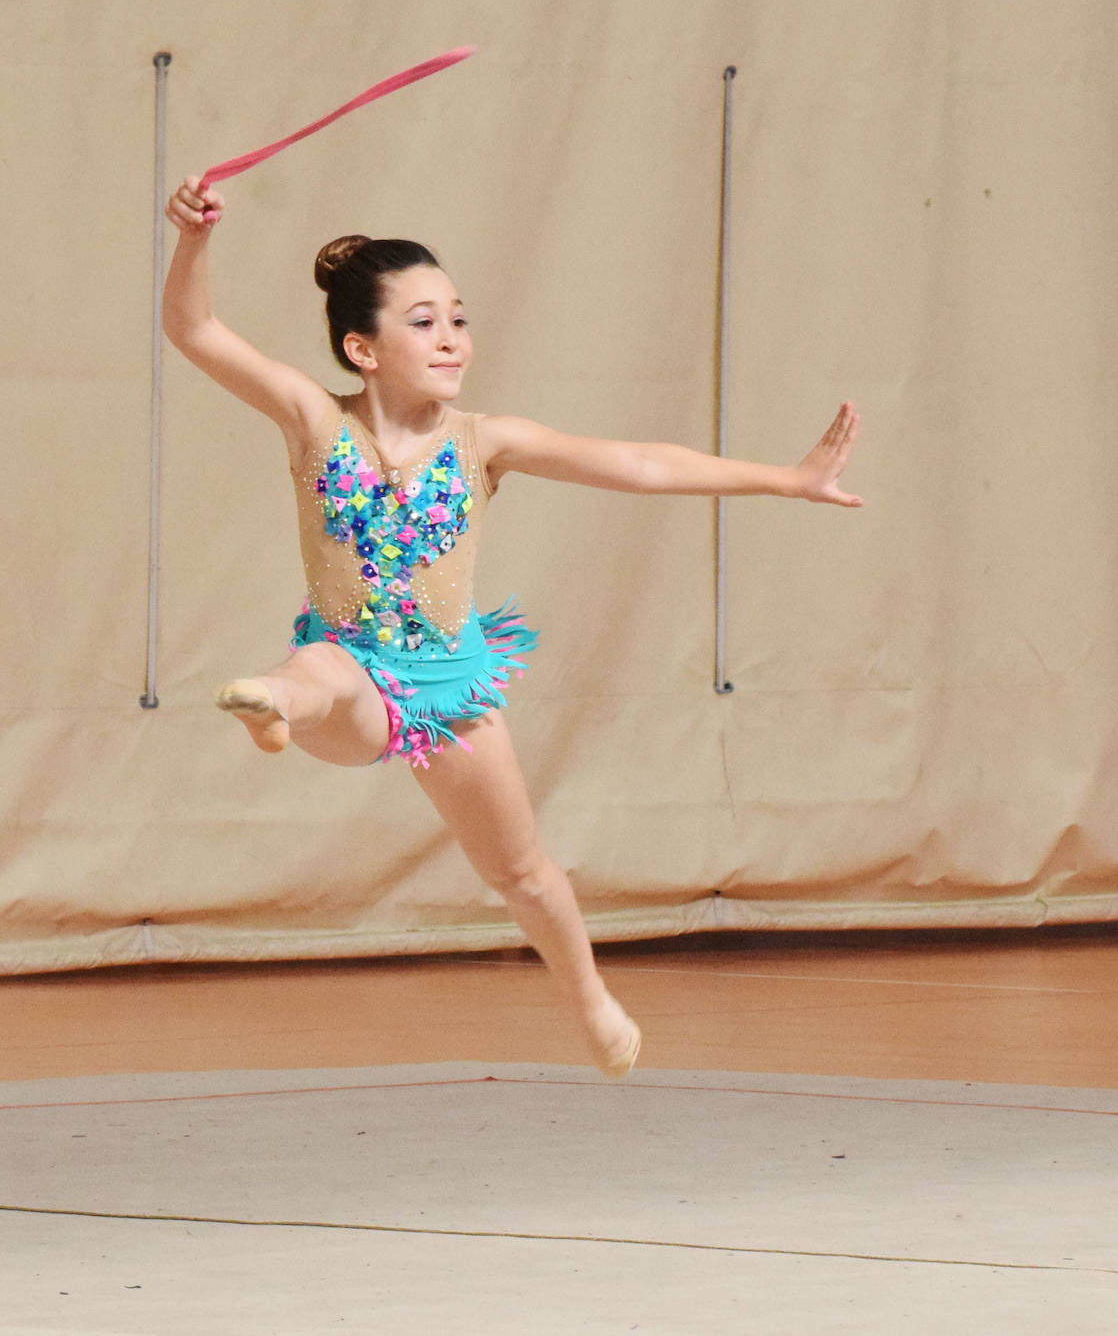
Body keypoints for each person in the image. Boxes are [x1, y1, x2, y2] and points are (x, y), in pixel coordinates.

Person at [162, 176, 862, 1078]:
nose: (451, 336)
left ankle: (593, 1003)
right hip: (349, 680)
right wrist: (193, 241)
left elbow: (641, 464)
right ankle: (271, 700)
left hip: (449, 684)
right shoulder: (313, 423)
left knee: (525, 873)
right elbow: (196, 332)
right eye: (422, 321)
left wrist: (786, 477)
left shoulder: (484, 442)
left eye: (458, 317)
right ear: (360, 348)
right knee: (326, 665)